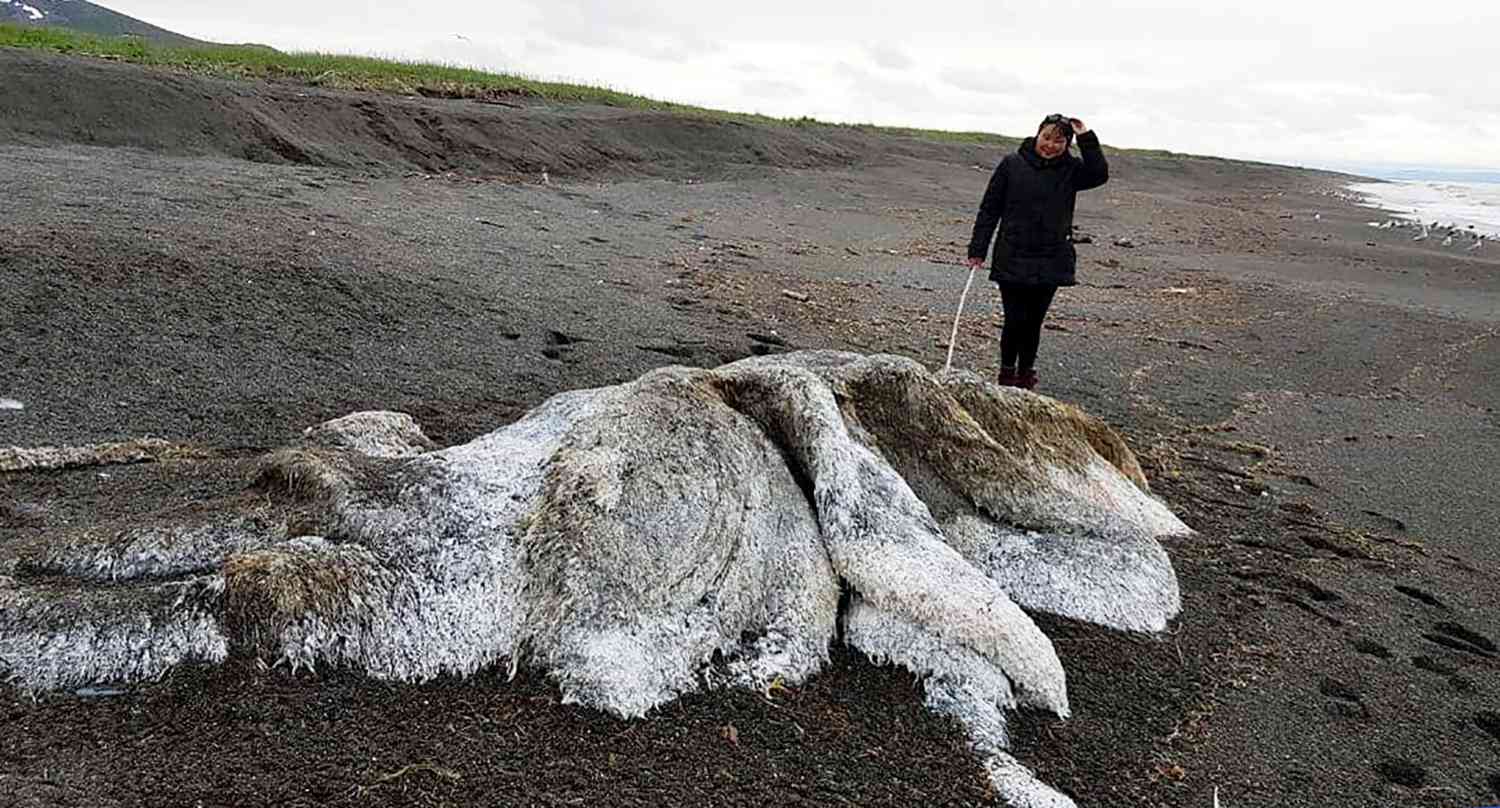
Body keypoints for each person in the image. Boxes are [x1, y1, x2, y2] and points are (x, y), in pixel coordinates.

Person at [965, 114, 1109, 390]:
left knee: (1033, 322)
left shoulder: (1072, 170)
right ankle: (1007, 374)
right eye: (1047, 137)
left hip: (1052, 257)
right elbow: (990, 209)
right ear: (1036, 135)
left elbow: (1099, 173)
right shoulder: (1012, 164)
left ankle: (1026, 375)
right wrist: (978, 249)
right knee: (1014, 320)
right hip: (1013, 254)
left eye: (1059, 140)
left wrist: (1086, 136)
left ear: (1067, 144)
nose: (1051, 145)